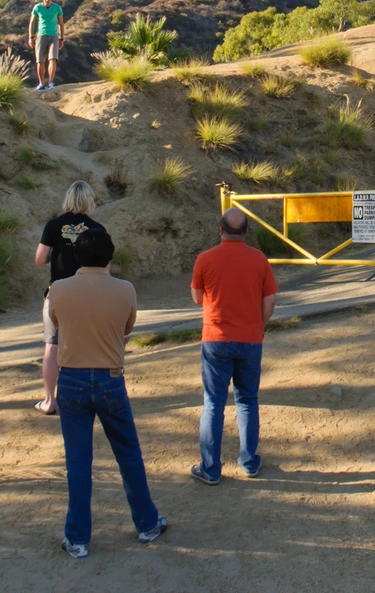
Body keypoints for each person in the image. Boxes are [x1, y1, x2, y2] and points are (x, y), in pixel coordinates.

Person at [49, 225, 167, 559]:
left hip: (70, 379)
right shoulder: (125, 290)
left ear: (77, 256)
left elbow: (56, 323)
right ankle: (146, 523)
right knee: (128, 453)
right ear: (109, 258)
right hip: (110, 379)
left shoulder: (58, 289)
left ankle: (77, 538)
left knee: (78, 461)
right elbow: (127, 328)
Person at [190, 207, 278, 484]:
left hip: (216, 339)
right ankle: (249, 461)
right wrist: (258, 325)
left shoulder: (205, 259)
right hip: (250, 339)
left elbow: (197, 298)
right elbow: (270, 299)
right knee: (247, 400)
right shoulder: (259, 259)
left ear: (220, 230)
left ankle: (210, 468)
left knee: (213, 404)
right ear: (247, 232)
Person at [34, 181, 105, 415]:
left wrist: (57, 251)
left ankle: (49, 401)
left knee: (52, 347)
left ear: (68, 198)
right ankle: (87, 397)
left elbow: (40, 259)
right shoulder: (96, 229)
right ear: (89, 200)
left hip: (59, 291)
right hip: (88, 292)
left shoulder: (54, 225)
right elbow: (105, 266)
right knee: (88, 345)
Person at [28, 0, 64, 91]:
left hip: (53, 36)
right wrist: (31, 37)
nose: (47, 0)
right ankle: (41, 84)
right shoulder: (37, 7)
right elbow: (32, 22)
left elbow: (61, 23)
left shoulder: (57, 8)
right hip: (41, 35)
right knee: (40, 61)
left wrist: (62, 38)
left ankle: (51, 83)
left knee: (53, 59)